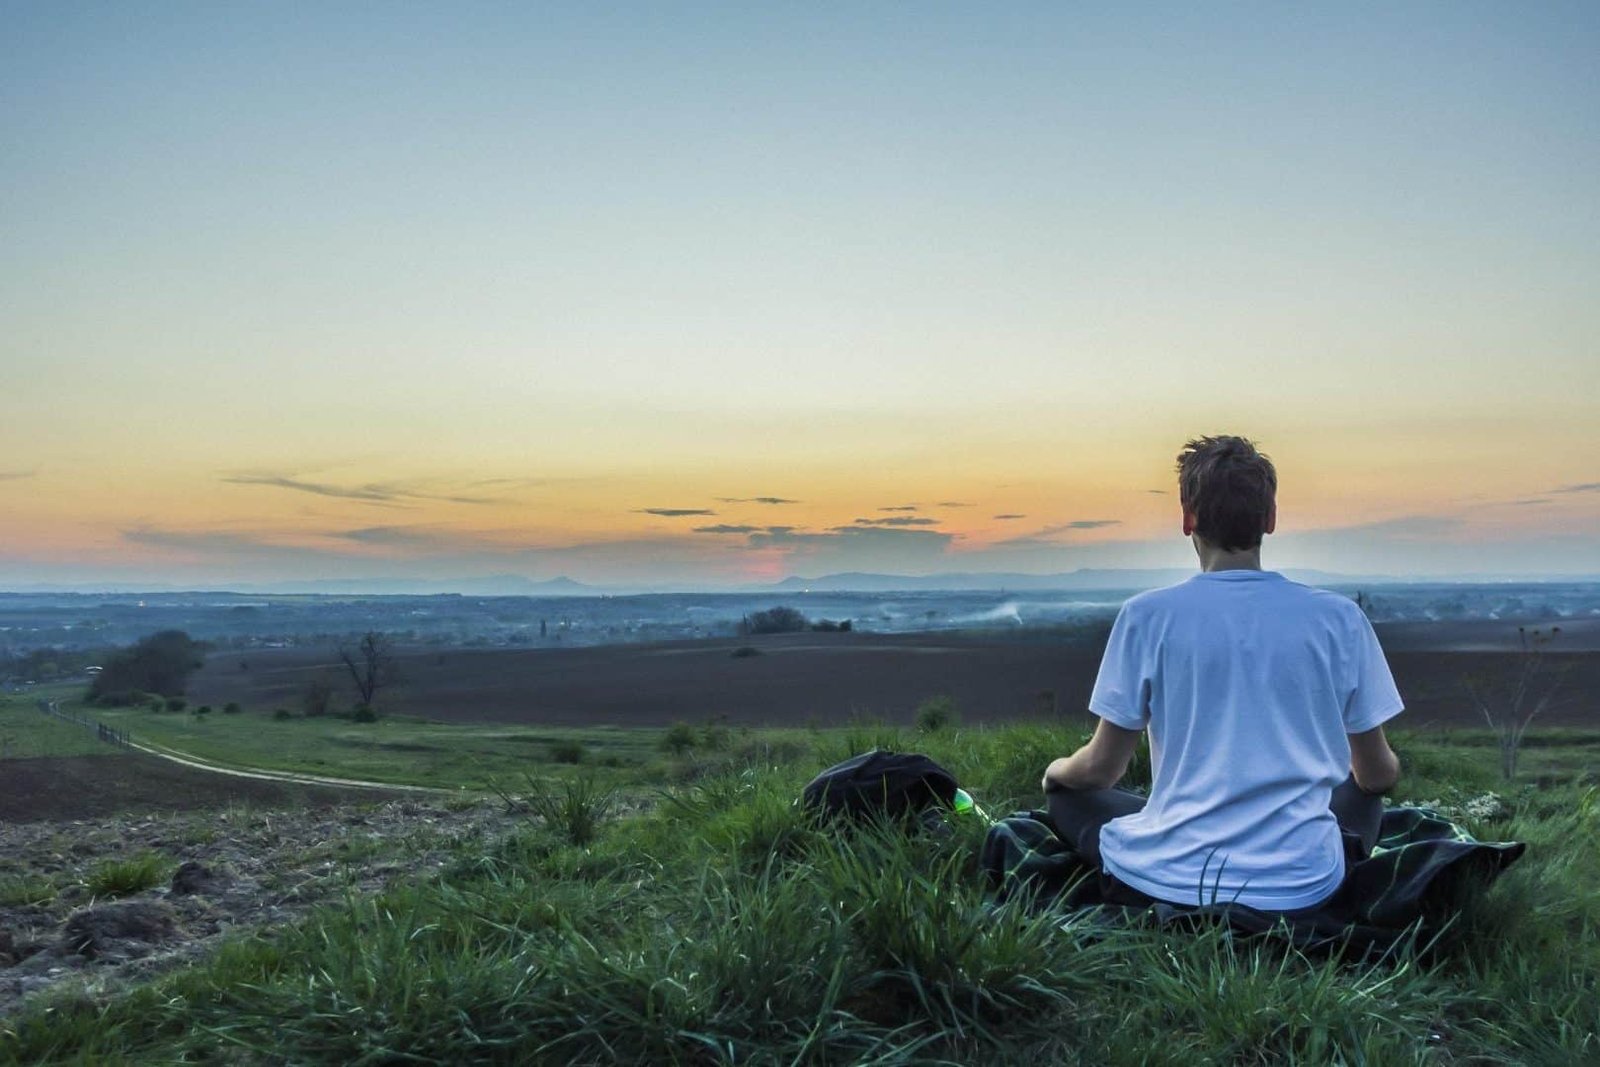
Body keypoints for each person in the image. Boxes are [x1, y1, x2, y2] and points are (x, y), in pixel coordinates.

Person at [1041, 435, 1404, 912]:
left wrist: (1055, 773)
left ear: (1187, 518)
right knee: (1362, 792)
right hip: (1302, 885)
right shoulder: (1339, 619)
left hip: (1170, 878)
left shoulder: (1146, 616)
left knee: (1069, 798)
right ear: (1270, 519)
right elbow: (1378, 775)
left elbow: (1102, 770)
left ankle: (1168, 838)